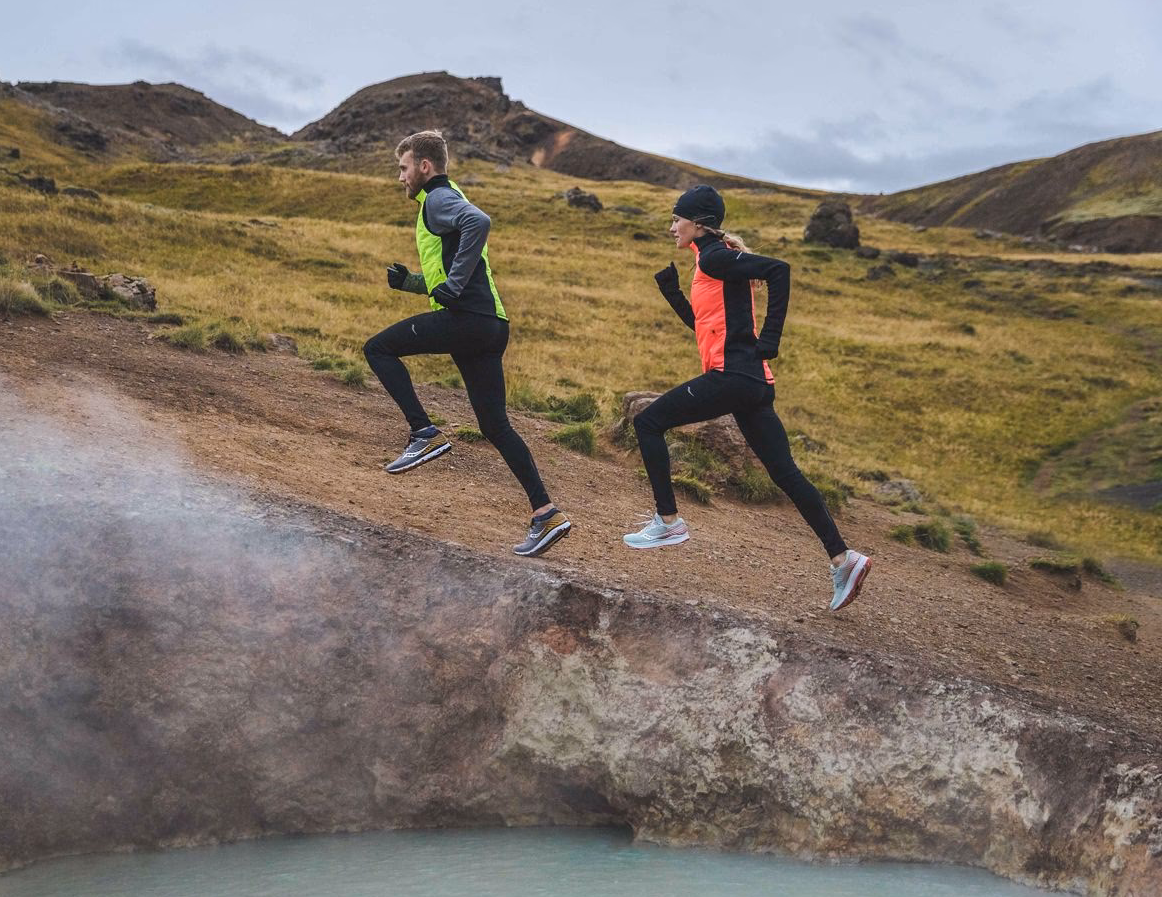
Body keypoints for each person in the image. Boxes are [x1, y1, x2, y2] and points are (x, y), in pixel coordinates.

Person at [626, 185, 871, 611]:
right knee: (786, 474)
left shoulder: (718, 257)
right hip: (752, 384)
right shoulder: (711, 262)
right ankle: (843, 559)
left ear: (698, 222)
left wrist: (770, 337)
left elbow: (780, 269)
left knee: (648, 422)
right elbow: (706, 326)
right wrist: (673, 294)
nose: (671, 228)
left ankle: (667, 523)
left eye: (676, 220)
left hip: (734, 377)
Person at [363, 130, 571, 558]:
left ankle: (424, 433)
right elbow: (454, 271)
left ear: (424, 166)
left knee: (378, 349)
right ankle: (546, 513)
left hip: (469, 321)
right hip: (490, 324)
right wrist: (413, 283)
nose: (400, 178)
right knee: (494, 426)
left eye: (403, 168)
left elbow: (480, 223)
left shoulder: (438, 197)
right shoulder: (443, 198)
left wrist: (453, 286)